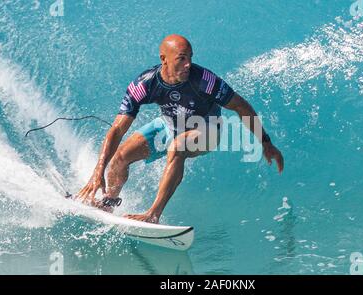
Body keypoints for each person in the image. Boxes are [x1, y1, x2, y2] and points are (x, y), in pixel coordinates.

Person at [76, 34, 284, 223]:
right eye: (181, 58)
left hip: (206, 130)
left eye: (190, 58)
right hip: (169, 126)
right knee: (121, 156)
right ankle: (108, 202)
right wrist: (98, 170)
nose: (188, 64)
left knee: (177, 147)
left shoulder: (205, 81)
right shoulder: (145, 84)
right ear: (163, 59)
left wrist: (265, 142)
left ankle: (153, 214)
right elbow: (117, 130)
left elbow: (241, 106)